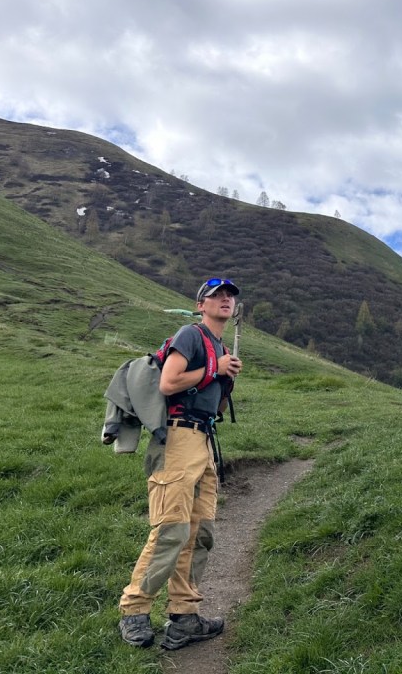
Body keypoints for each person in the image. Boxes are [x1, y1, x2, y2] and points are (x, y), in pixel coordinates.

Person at [118, 277, 243, 650]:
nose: (225, 300)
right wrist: (215, 369)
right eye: (216, 295)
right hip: (176, 440)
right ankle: (134, 611)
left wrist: (226, 378)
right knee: (171, 529)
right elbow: (169, 382)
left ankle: (184, 616)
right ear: (200, 304)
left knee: (200, 530)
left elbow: (214, 404)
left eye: (230, 297)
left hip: (203, 440)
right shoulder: (190, 334)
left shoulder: (219, 345)